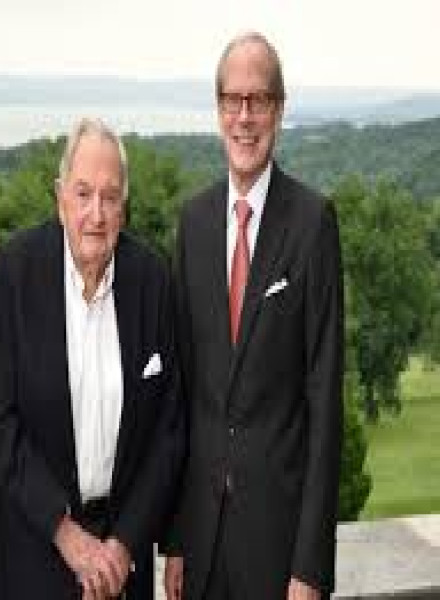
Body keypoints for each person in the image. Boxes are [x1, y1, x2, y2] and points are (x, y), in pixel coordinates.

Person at [163, 32, 344, 600]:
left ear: (279, 110)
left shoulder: (313, 224)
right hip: (201, 549)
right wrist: (175, 538)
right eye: (232, 100)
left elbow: (324, 403)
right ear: (218, 110)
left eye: (258, 100)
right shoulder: (192, 224)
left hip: (279, 551)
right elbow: (182, 397)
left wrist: (310, 566)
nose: (244, 117)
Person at [0, 117, 184, 599]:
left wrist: (124, 544)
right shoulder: (15, 272)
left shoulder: (152, 279)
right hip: (37, 555)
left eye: (110, 197)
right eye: (83, 193)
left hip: (123, 564)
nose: (96, 213)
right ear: (60, 198)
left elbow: (169, 431)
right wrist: (65, 533)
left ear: (124, 208)